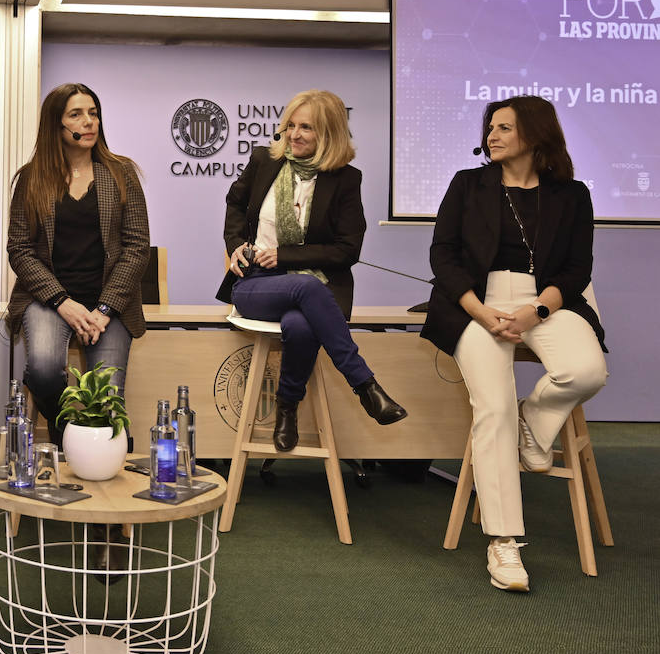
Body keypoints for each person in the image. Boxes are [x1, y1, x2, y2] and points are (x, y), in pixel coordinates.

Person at [423, 96, 606, 593]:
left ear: (535, 133)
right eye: (490, 128)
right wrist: (481, 312)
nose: (492, 135)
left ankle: (535, 420)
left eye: (505, 127)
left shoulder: (572, 194)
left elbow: (575, 270)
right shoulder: (468, 185)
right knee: (494, 408)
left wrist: (534, 311)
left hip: (544, 301)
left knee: (586, 370)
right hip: (475, 304)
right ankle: (504, 541)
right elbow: (443, 255)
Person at [218, 89, 407, 453]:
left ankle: (286, 407)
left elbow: (347, 250)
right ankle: (365, 385)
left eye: (307, 127)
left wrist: (287, 256)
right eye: (291, 125)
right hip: (255, 284)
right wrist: (236, 244)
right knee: (307, 289)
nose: (294, 134)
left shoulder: (346, 179)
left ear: (330, 134)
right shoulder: (264, 161)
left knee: (302, 324)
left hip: (312, 286)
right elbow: (235, 204)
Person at [7, 83, 150, 445]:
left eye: (93, 113)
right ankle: (67, 434)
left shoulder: (121, 173)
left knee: (106, 400)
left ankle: (102, 451)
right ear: (56, 125)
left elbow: (136, 247)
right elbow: (20, 249)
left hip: (109, 305)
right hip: (49, 300)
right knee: (42, 371)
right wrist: (63, 303)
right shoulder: (32, 178)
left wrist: (104, 309)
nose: (89, 122)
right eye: (76, 115)